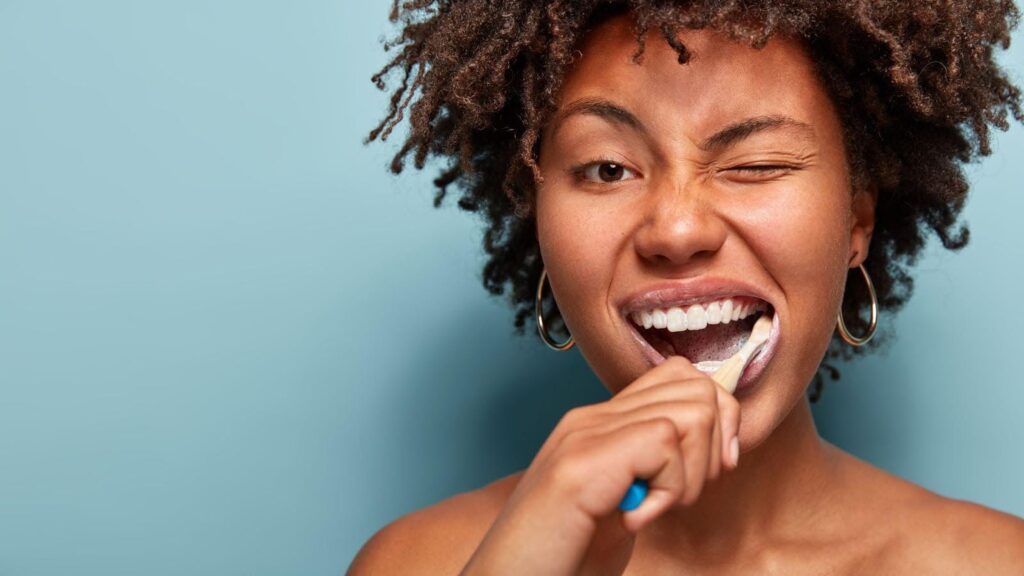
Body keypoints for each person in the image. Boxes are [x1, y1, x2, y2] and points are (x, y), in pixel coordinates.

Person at [349, 1, 1024, 573]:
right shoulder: (421, 561)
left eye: (756, 163)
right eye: (607, 169)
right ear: (538, 220)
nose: (675, 228)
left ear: (857, 219)